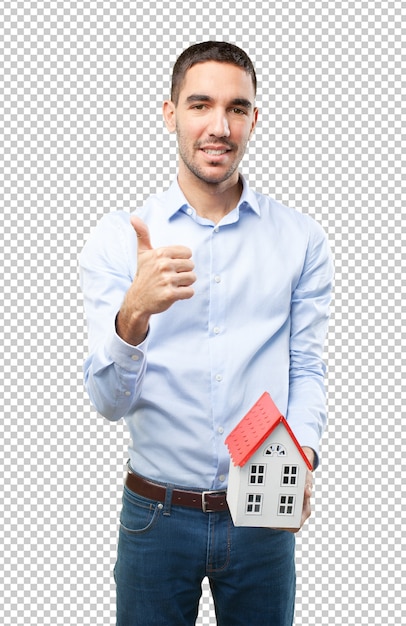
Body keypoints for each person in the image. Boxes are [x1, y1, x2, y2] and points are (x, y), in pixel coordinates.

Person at [79, 41, 333, 626]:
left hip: (261, 517)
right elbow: (106, 404)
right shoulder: (120, 240)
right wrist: (133, 316)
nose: (219, 126)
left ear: (253, 119)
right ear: (170, 114)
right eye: (200, 105)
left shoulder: (300, 239)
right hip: (154, 517)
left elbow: (306, 367)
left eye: (236, 108)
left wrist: (302, 460)